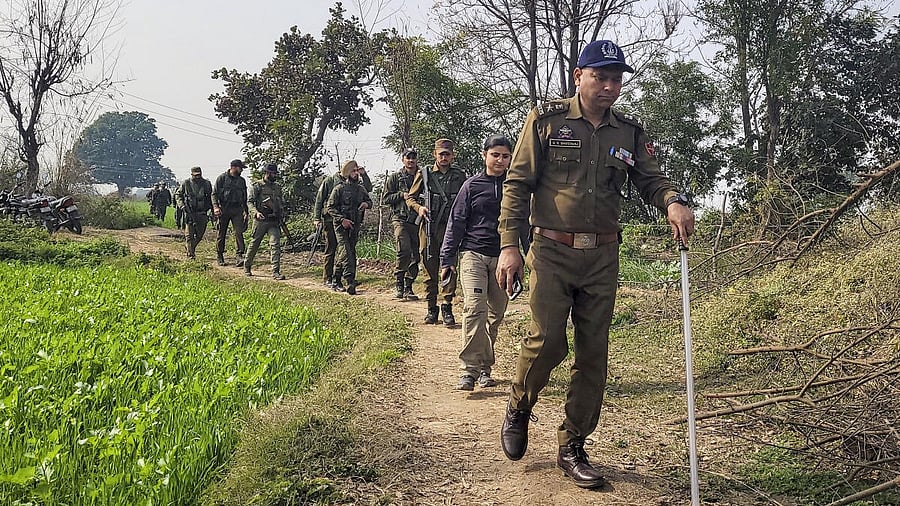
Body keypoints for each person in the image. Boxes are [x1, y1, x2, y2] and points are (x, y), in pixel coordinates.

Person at [496, 40, 696, 489]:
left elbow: (651, 178)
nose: (609, 87)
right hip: (550, 251)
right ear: (579, 76)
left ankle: (572, 445)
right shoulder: (545, 122)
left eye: (616, 79)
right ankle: (520, 405)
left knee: (593, 354)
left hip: (603, 255)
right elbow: (517, 183)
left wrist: (673, 201)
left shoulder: (627, 132)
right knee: (548, 341)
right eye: (600, 77)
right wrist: (509, 245)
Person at [440, 135, 515, 391]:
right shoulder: (471, 186)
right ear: (485, 155)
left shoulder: (516, 187)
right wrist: (447, 259)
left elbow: (526, 224)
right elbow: (456, 222)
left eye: (505, 156)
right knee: (475, 309)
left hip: (505, 257)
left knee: (495, 314)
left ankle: (485, 367)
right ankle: (469, 371)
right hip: (473, 255)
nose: (500, 160)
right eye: (495, 155)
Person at [405, 139, 468, 326]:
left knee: (450, 264)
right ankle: (431, 307)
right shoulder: (424, 174)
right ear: (435, 154)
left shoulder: (459, 175)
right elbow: (410, 197)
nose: (444, 157)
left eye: (447, 154)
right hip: (429, 226)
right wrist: (419, 209)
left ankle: (447, 306)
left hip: (451, 227)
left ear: (452, 155)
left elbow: (466, 199)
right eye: (441, 154)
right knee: (428, 263)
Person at [313, 164, 372, 287]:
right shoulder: (332, 182)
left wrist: (364, 175)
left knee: (348, 250)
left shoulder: (358, 187)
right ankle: (332, 278)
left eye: (357, 171)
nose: (356, 173)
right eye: (353, 171)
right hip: (332, 221)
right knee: (333, 249)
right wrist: (316, 218)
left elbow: (368, 190)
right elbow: (321, 200)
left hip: (353, 222)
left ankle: (341, 278)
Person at [381, 148, 421, 300]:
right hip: (400, 218)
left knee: (416, 254)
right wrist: (401, 195)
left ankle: (408, 285)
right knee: (403, 250)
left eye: (413, 157)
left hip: (417, 219)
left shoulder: (422, 176)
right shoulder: (396, 178)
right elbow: (386, 198)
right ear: (403, 159)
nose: (411, 160)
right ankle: (399, 283)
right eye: (408, 157)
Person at [245, 163, 287, 280]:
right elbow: (250, 202)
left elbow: (281, 203)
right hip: (261, 220)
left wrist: (281, 214)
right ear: (267, 173)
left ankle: (275, 271)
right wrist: (256, 213)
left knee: (275, 244)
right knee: (255, 243)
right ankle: (247, 265)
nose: (275, 175)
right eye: (273, 173)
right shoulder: (258, 186)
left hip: (274, 221)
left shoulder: (277, 187)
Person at [212, 159, 250, 267]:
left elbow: (244, 197)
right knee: (221, 233)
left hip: (237, 209)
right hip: (224, 208)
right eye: (240, 168)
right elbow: (214, 194)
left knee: (239, 232)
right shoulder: (222, 178)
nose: (241, 170)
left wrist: (246, 212)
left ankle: (239, 255)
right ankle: (220, 255)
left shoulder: (241, 180)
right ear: (233, 167)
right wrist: (216, 207)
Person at [174, 166, 213, 259]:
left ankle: (190, 247)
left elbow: (212, 197)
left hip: (202, 212)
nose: (197, 177)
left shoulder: (207, 184)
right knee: (189, 235)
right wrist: (182, 205)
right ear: (191, 174)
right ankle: (191, 254)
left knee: (200, 235)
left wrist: (213, 209)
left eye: (199, 175)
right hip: (189, 212)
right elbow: (178, 195)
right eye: (195, 175)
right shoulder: (186, 183)